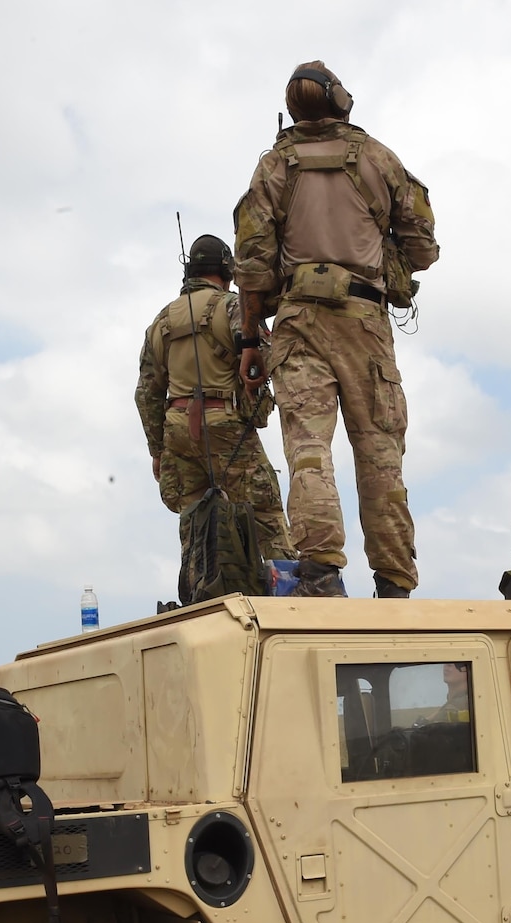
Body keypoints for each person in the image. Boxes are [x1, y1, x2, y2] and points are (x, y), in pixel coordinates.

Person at [232, 60, 439, 598]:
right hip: (364, 321)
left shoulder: (273, 168)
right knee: (378, 452)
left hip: (298, 322)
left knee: (308, 448)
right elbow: (424, 246)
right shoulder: (378, 159)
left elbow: (253, 267)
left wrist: (251, 340)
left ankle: (321, 572)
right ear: (341, 101)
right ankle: (393, 580)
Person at [135, 234, 294, 566]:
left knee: (196, 528)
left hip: (177, 432)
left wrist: (157, 451)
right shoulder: (233, 307)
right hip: (226, 424)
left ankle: (204, 598)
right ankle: (289, 598)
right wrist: (256, 412)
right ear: (227, 271)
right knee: (265, 515)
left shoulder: (160, 322)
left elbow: (147, 393)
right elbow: (260, 361)